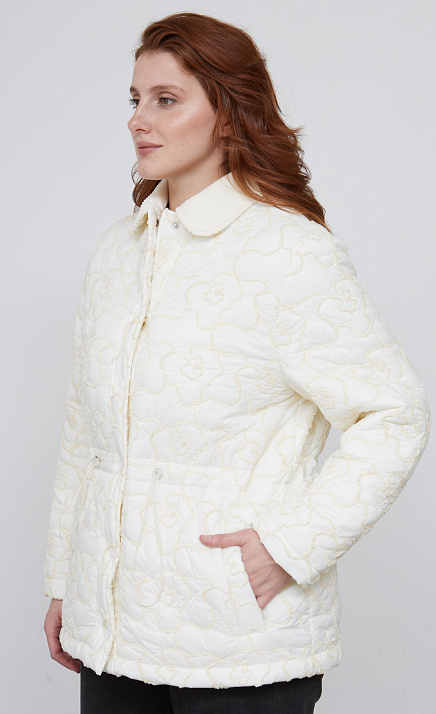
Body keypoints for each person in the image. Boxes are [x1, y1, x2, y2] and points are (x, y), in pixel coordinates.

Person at [43, 12, 430, 714]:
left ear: (226, 113)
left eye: (166, 99)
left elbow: (394, 415)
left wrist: (291, 544)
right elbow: (85, 432)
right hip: (112, 636)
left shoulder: (290, 254)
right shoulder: (117, 253)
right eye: (135, 99)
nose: (138, 120)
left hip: (241, 642)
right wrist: (68, 582)